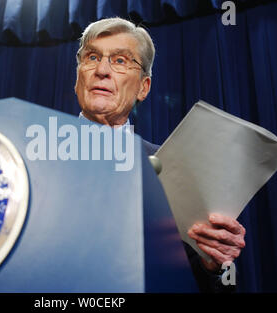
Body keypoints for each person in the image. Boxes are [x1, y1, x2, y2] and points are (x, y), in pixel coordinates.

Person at [74, 17, 246, 292]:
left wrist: (213, 264)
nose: (102, 70)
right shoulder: (24, 156)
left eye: (120, 61)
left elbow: (205, 282)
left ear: (144, 87)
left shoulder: (173, 170)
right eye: (92, 57)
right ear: (79, 74)